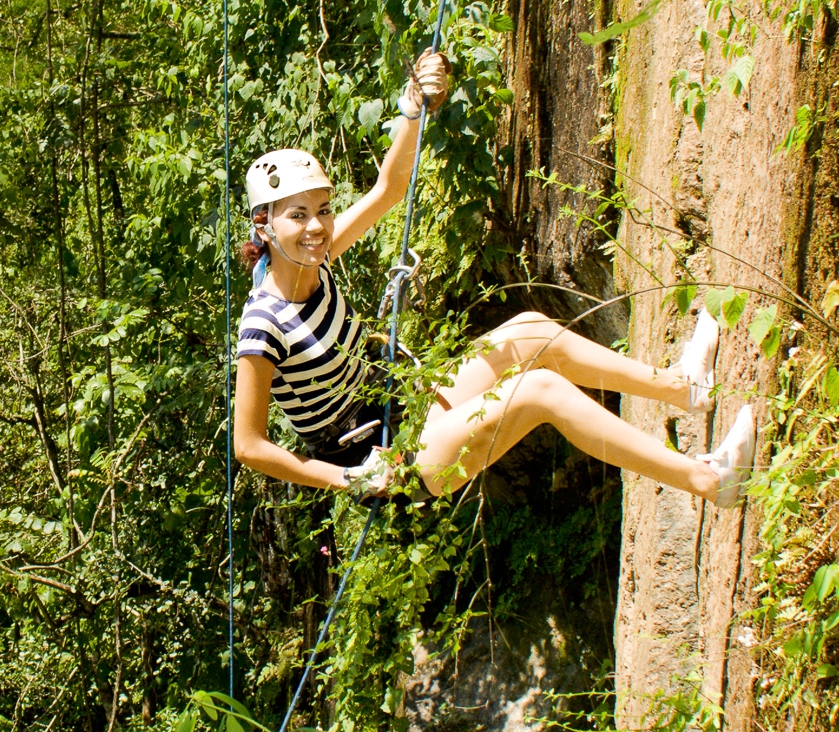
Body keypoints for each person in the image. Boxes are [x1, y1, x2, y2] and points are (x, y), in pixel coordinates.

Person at [232, 49, 755, 507]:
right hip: (387, 460)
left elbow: (388, 190)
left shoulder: (314, 258)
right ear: (265, 224)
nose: (317, 227)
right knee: (540, 391)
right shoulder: (263, 325)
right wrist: (348, 479)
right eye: (297, 215)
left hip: (404, 404)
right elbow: (248, 446)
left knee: (531, 331)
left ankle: (685, 389)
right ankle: (709, 480)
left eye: (322, 210)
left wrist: (414, 107)